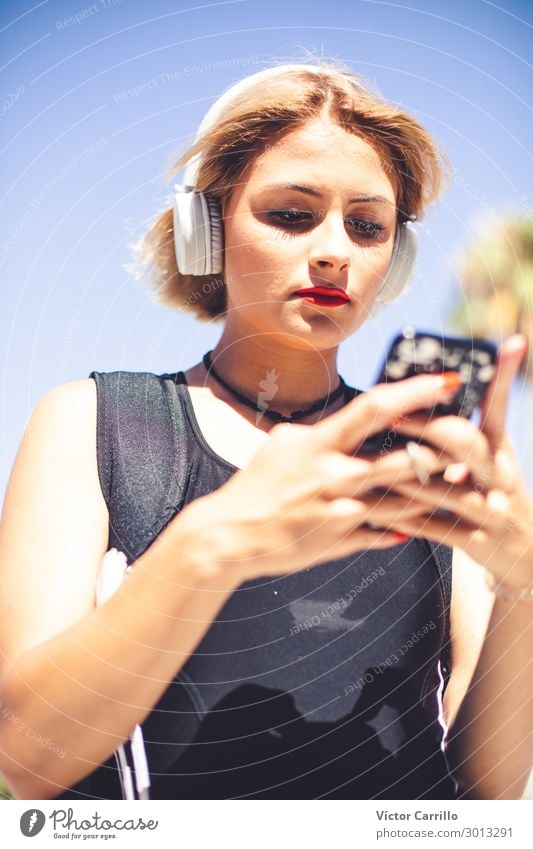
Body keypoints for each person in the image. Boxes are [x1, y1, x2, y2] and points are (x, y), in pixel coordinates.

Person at [0, 59, 531, 802]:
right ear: (204, 228)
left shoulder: (425, 461)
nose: (334, 250)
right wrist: (213, 545)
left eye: (368, 226)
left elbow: (489, 791)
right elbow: (27, 759)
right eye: (290, 214)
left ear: (396, 259)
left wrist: (522, 582)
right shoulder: (94, 423)